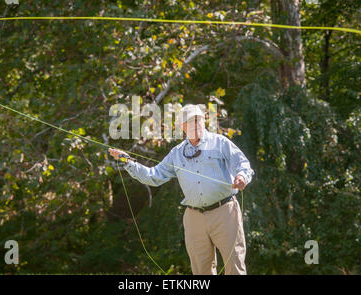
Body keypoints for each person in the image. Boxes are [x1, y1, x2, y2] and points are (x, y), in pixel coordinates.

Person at [108, 104, 254, 274]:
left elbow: (243, 165)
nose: (196, 124)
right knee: (200, 271)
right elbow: (153, 176)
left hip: (225, 212)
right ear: (182, 126)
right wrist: (128, 162)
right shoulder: (177, 153)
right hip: (194, 218)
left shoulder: (220, 143)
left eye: (199, 120)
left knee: (234, 266)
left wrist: (242, 177)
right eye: (190, 121)